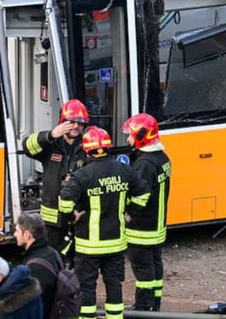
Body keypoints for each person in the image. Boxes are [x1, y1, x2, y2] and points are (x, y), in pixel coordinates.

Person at [59, 126, 149, 319]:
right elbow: (144, 193)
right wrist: (130, 214)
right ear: (108, 148)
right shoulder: (124, 170)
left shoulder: (82, 175)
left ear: (86, 150)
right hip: (116, 244)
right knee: (114, 285)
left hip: (88, 247)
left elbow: (64, 202)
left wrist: (72, 217)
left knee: (87, 287)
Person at [21, 99, 90, 255]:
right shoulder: (51, 145)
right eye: (71, 122)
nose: (76, 126)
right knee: (53, 257)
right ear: (62, 123)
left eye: (80, 123)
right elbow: (27, 147)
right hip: (53, 218)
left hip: (79, 215)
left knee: (78, 260)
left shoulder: (87, 145)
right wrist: (51, 135)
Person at [123, 113, 172, 312]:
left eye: (131, 135)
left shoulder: (144, 164)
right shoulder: (162, 157)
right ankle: (155, 305)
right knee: (155, 264)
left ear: (142, 135)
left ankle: (143, 309)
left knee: (143, 268)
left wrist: (128, 214)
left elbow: (139, 196)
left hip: (141, 228)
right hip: (157, 225)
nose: (128, 139)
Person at [14, 212, 62, 319]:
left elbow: (35, 306)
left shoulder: (35, 267)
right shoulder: (53, 252)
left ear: (27, 235)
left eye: (17, 231)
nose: (15, 234)